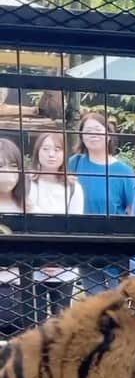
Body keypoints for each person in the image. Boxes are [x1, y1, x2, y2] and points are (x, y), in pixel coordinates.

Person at [69, 112, 134, 294]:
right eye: (88, 131)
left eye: (98, 130)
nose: (93, 135)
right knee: (93, 298)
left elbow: (131, 209)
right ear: (81, 135)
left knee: (119, 297)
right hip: (85, 241)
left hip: (114, 243)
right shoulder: (74, 163)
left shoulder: (124, 171)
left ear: (108, 134)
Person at [28, 131, 83, 317]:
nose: (52, 154)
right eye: (46, 149)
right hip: (32, 265)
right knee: (35, 320)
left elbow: (76, 227)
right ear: (37, 153)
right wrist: (42, 261)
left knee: (62, 320)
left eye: (57, 149)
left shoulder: (74, 187)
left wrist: (59, 261)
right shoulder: (27, 184)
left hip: (65, 266)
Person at [0, 138, 29, 337]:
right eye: (1, 166)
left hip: (21, 289)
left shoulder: (28, 206)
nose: (8, 173)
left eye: (13, 165)